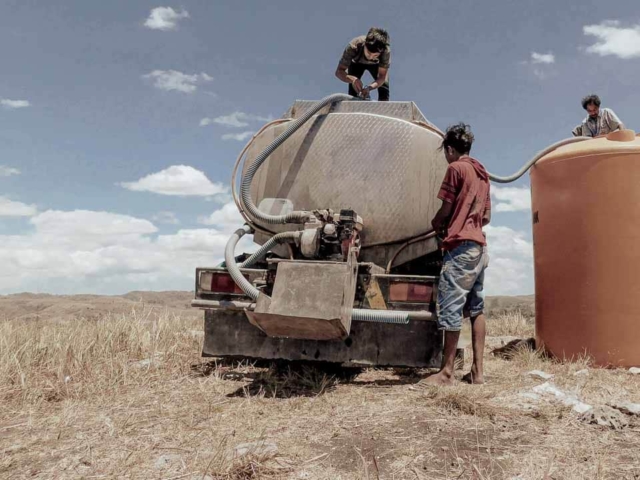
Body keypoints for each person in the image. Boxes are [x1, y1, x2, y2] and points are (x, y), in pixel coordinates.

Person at [423, 123, 491, 386]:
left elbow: (445, 209)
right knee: (476, 307)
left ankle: (446, 373)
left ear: (450, 149)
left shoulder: (455, 169)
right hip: (479, 248)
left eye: (445, 152)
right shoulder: (482, 174)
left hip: (460, 248)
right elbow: (486, 217)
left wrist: (436, 223)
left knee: (450, 308)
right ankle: (478, 373)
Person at [335, 27, 391, 101]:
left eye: (375, 56)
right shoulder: (353, 46)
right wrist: (353, 79)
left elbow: (382, 77)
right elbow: (339, 71)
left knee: (384, 86)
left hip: (376, 65)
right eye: (368, 53)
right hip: (356, 64)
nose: (371, 57)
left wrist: (369, 88)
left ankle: (385, 108)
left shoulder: (385, 52)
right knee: (353, 89)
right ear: (364, 44)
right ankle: (353, 108)